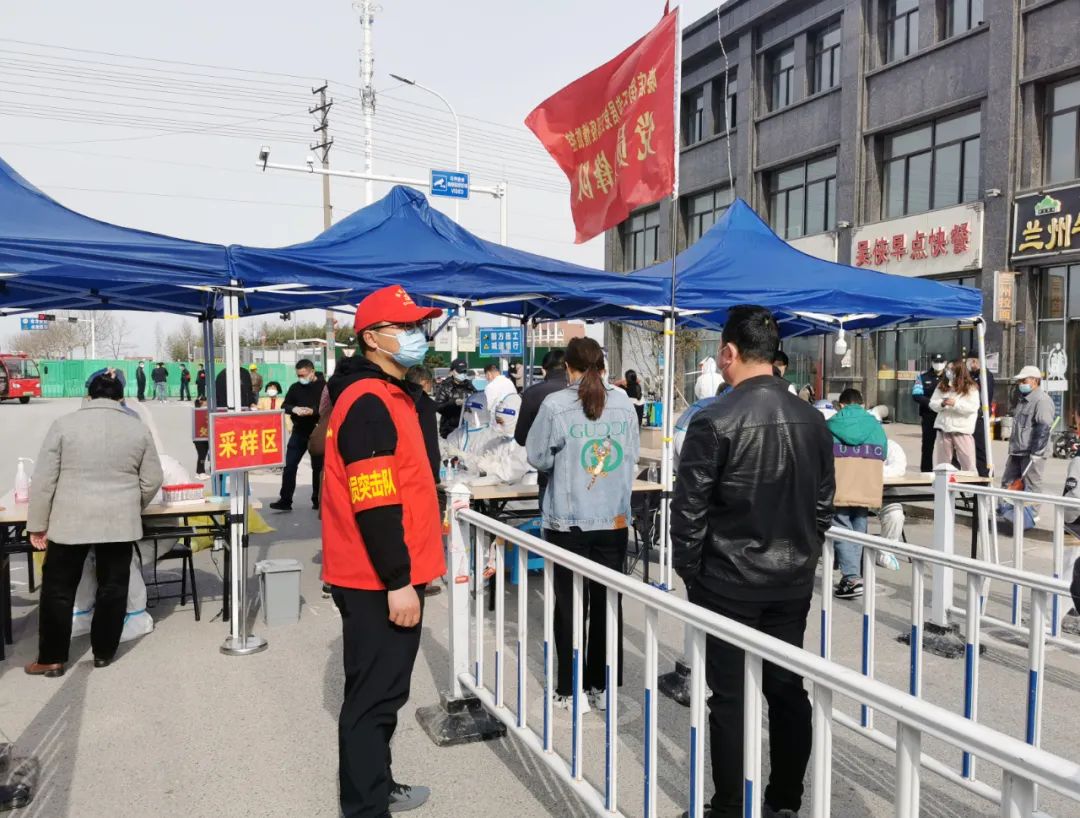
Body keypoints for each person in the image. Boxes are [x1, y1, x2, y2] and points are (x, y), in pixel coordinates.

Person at [671, 305, 834, 818]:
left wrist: (692, 574)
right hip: (791, 580)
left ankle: (728, 807)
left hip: (727, 580)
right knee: (787, 692)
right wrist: (804, 556)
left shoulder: (714, 418)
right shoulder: (812, 419)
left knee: (731, 698)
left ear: (729, 353)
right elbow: (824, 505)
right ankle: (784, 801)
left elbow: (689, 510)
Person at [322, 283, 445, 817]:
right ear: (372, 337)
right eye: (406, 326)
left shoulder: (392, 394)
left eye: (419, 325)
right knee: (373, 700)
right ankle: (365, 807)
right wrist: (398, 580)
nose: (418, 335)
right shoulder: (369, 401)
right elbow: (374, 501)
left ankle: (377, 784)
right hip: (375, 578)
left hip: (388, 572)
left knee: (381, 695)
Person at [24, 370, 164, 677]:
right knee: (113, 587)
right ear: (121, 398)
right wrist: (133, 504)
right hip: (119, 523)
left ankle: (51, 658)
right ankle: (103, 652)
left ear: (88, 395)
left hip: (69, 521)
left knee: (58, 589)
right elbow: (153, 478)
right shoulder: (137, 429)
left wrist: (37, 524)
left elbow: (44, 480)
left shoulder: (64, 425)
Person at [525, 337, 640, 713]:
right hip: (613, 519)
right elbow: (632, 454)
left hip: (568, 522)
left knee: (569, 606)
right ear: (603, 367)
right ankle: (602, 687)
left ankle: (570, 689)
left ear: (568, 368)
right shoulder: (624, 403)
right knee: (608, 604)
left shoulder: (556, 404)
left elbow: (537, 456)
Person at [828, 388, 887, 600]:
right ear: (862, 404)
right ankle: (856, 575)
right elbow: (884, 453)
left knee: (840, 525)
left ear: (841, 405)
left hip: (840, 481)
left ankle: (851, 577)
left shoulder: (831, 424)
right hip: (866, 483)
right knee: (859, 526)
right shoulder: (875, 425)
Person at [515, 349, 568, 509]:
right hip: (584, 475)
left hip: (548, 475)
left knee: (551, 522)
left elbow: (521, 437)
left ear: (544, 370)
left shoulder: (533, 394)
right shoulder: (582, 392)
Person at [270, 359, 323, 512]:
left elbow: (327, 407)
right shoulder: (295, 387)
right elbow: (285, 405)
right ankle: (285, 500)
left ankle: (318, 500)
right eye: (298, 375)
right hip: (299, 431)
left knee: (318, 467)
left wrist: (313, 411)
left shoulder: (323, 387)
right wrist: (294, 409)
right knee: (290, 465)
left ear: (312, 372)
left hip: (316, 431)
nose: (301, 378)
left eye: (303, 375)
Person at [1002, 365, 1056, 501]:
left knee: (1031, 487)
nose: (1020, 384)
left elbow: (1044, 427)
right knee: (1008, 483)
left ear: (1035, 380)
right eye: (1019, 381)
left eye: (1024, 381)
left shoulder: (1042, 400)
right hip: (1017, 450)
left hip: (1031, 453)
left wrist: (1037, 452)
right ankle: (1006, 510)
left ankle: (1031, 512)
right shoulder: (1022, 399)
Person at [928, 359, 980, 471]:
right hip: (944, 428)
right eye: (947, 369)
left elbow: (972, 407)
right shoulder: (942, 385)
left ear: (959, 371)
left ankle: (970, 481)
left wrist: (955, 404)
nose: (948, 372)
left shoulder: (970, 387)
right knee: (942, 464)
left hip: (961, 430)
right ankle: (943, 481)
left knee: (968, 462)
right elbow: (932, 403)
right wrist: (942, 403)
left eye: (951, 369)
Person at [913, 353, 946, 472]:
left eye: (941, 362)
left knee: (947, 444)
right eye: (936, 362)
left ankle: (948, 470)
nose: (938, 364)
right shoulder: (922, 377)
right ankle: (926, 470)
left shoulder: (949, 377)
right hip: (928, 414)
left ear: (945, 363)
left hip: (945, 415)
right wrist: (931, 404)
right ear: (932, 362)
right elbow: (916, 395)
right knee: (927, 444)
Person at [967, 355, 996, 478]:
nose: (971, 364)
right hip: (972, 415)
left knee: (981, 448)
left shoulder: (985, 375)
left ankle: (985, 475)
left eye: (973, 361)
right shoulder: (971, 375)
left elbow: (985, 396)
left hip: (980, 416)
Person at [433, 357, 475, 439]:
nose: (462, 374)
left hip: (467, 428)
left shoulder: (469, 386)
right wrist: (453, 403)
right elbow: (438, 406)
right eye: (460, 371)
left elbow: (477, 401)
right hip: (449, 430)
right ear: (452, 371)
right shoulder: (445, 386)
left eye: (464, 371)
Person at [193, 396, 210, 478]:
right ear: (202, 402)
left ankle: (198, 472)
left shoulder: (203, 411)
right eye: (206, 401)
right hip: (199, 438)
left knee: (203, 454)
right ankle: (201, 472)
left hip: (204, 437)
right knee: (202, 455)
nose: (207, 402)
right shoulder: (199, 412)